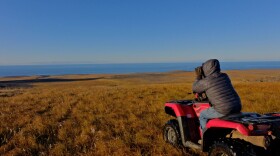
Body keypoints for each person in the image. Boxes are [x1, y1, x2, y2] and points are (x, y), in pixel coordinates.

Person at [192, 59, 242, 133]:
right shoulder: (225, 76)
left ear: (206, 69)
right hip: (237, 106)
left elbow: (195, 88)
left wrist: (199, 76)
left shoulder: (207, 81)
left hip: (224, 109)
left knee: (202, 115)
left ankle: (205, 136)